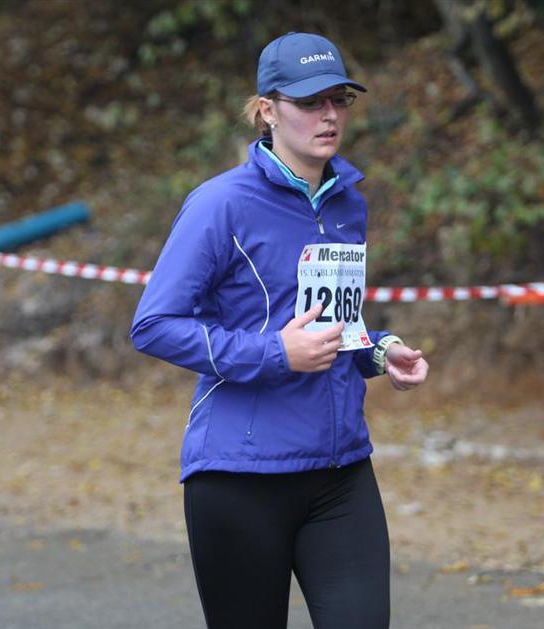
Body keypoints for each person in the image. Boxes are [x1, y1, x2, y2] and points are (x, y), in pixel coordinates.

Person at [130, 31, 428, 629]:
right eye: (310, 101)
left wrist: (378, 351)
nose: (329, 114)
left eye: (340, 99)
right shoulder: (220, 204)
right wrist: (273, 353)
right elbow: (154, 325)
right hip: (241, 477)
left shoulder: (348, 203)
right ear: (267, 109)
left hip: (341, 471)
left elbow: (332, 319)